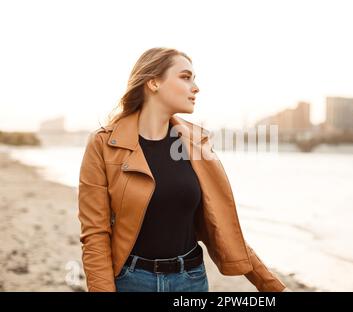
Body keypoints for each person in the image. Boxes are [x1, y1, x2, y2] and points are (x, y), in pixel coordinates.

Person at [78, 47, 290, 292]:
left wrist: (274, 288)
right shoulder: (104, 144)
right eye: (185, 77)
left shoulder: (197, 144)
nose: (196, 87)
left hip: (191, 282)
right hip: (131, 281)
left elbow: (222, 226)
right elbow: (95, 234)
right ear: (154, 82)